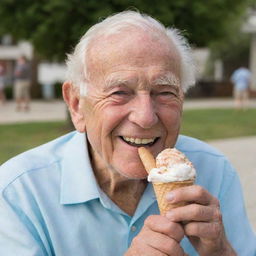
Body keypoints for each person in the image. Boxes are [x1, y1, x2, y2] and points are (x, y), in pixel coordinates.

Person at [0, 11, 255, 256]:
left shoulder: (215, 171)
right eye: (119, 92)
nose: (145, 117)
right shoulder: (18, 192)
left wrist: (221, 252)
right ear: (76, 104)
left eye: (165, 92)